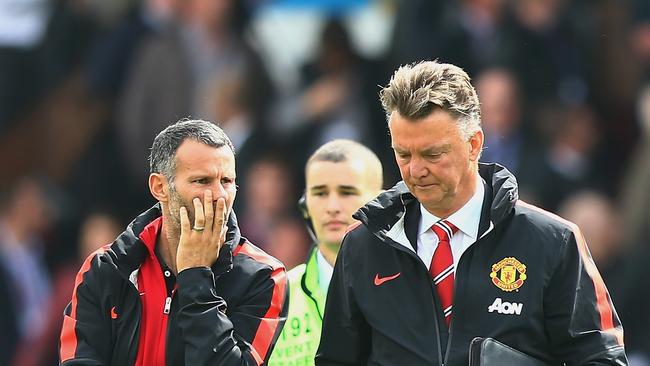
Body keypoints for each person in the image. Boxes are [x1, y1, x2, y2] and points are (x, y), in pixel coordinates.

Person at [315, 61, 628, 365]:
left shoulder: (553, 243)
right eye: (403, 154)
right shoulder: (363, 247)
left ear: (474, 144)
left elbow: (601, 358)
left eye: (432, 153)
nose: (416, 169)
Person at [59, 119, 288, 365]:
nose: (220, 196)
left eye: (227, 181)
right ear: (160, 187)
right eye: (202, 181)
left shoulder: (264, 276)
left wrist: (196, 277)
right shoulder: (105, 268)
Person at [268, 139, 383, 366]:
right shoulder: (274, 297)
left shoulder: (405, 287)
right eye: (320, 193)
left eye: (346, 192)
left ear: (380, 202)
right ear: (305, 204)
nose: (332, 206)